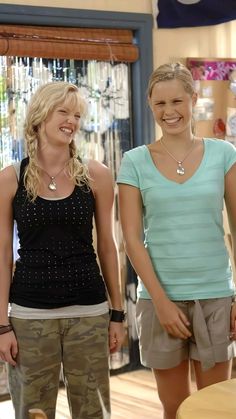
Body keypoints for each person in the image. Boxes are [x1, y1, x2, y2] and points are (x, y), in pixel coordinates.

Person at [117, 62, 236, 419]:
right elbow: (132, 239)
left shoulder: (224, 154)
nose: (169, 112)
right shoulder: (134, 161)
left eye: (177, 101)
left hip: (215, 295)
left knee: (214, 407)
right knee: (175, 407)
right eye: (160, 104)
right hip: (158, 299)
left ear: (193, 99)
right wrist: (162, 301)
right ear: (151, 106)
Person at [0, 81, 125, 419]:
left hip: (90, 312)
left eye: (77, 115)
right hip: (29, 316)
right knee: (33, 412)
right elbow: (2, 257)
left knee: (93, 412)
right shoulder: (10, 178)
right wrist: (2, 325)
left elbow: (108, 248)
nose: (72, 120)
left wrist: (117, 313)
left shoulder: (96, 174)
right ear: (40, 116)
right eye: (63, 112)